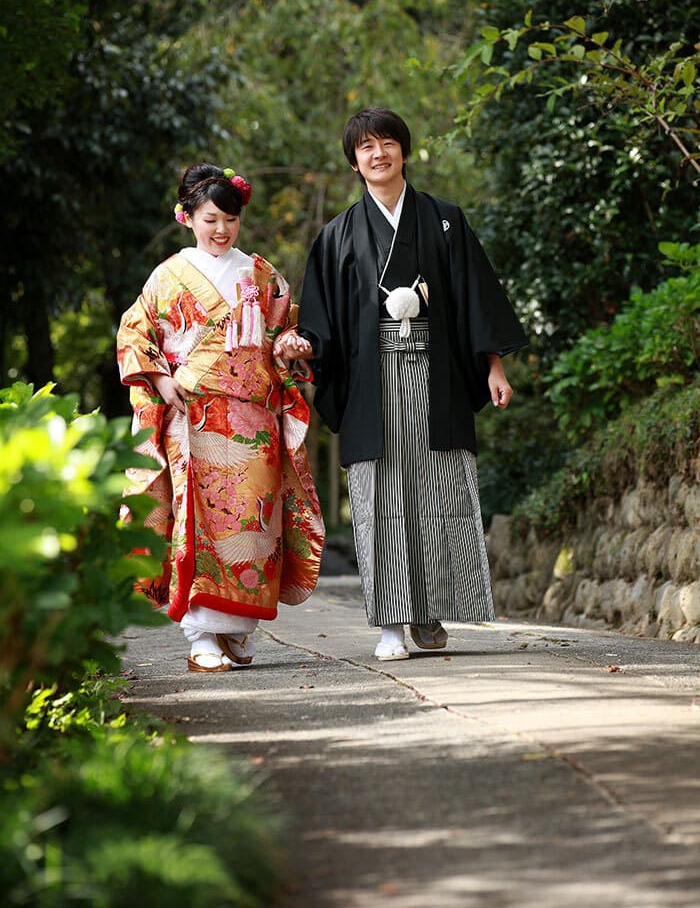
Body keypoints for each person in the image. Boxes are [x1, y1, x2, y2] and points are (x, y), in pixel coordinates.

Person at [296, 107, 527, 661]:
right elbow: (321, 322)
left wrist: (494, 365)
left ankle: (430, 613)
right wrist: (305, 351)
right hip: (371, 384)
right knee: (381, 497)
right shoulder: (338, 235)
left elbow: (474, 299)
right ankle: (391, 624)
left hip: (437, 376)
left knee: (438, 491)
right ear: (354, 161)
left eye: (387, 143)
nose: (378, 154)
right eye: (366, 147)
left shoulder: (446, 220)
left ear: (404, 149)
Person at [117, 162, 324, 672]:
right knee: (199, 520)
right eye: (210, 218)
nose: (221, 229)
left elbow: (280, 339)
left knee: (254, 523)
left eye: (230, 219)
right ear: (185, 216)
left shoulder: (261, 273)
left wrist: (291, 346)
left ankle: (236, 631)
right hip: (193, 418)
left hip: (253, 422)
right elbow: (134, 335)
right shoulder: (166, 276)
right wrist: (163, 381)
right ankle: (200, 636)